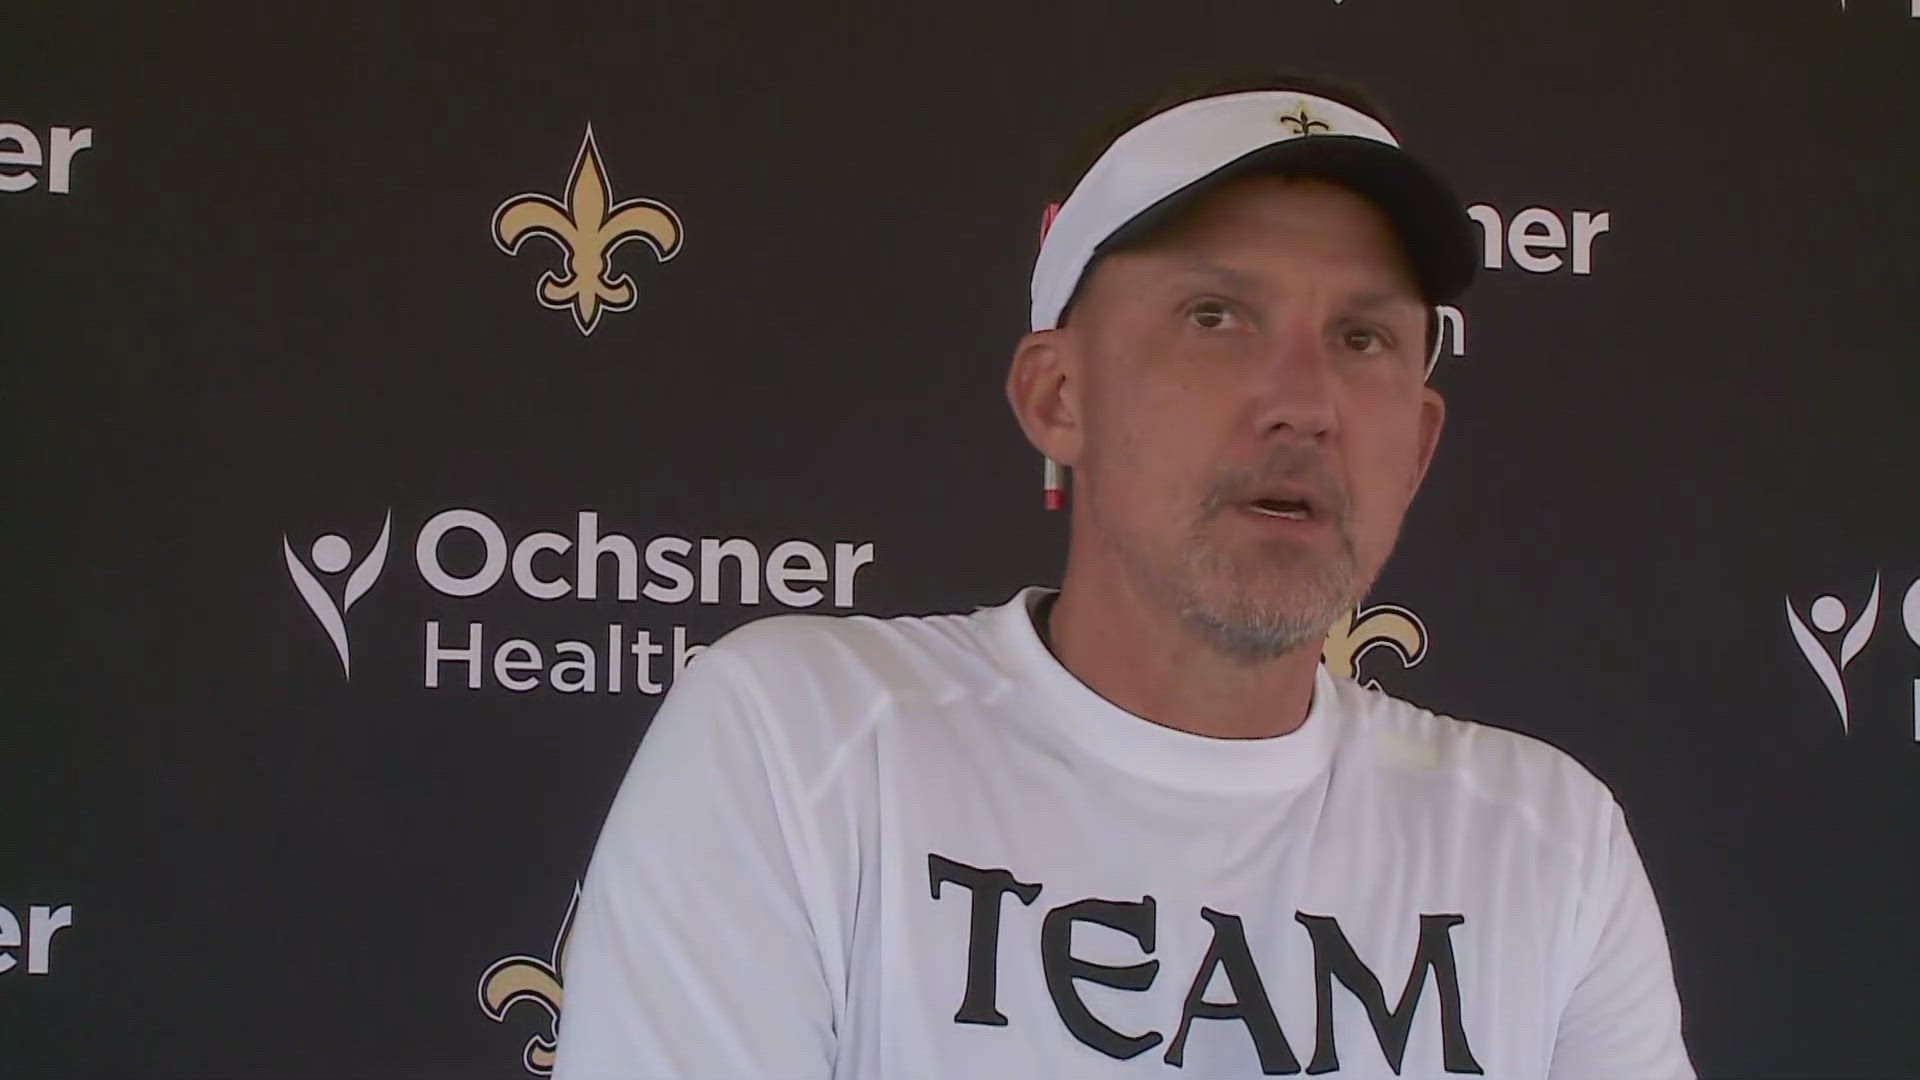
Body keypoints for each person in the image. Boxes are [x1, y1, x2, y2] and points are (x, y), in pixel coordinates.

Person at [552, 73, 1694, 1079]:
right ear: (1058, 398)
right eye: (1218, 316)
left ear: (1422, 442)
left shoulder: (1545, 844)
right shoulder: (803, 741)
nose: (1305, 401)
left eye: (1363, 340)